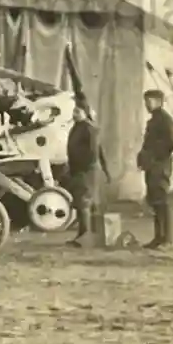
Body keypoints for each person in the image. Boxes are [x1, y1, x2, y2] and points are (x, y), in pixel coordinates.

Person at [64, 96, 110, 248]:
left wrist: (85, 168)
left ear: (85, 112)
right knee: (80, 202)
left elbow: (94, 152)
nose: (74, 114)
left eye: (77, 111)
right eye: (74, 111)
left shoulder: (89, 129)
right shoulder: (77, 127)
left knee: (84, 202)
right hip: (78, 170)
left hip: (86, 170)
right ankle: (81, 235)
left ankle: (86, 237)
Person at [137, 88, 173, 250]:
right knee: (155, 201)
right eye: (146, 101)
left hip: (160, 166)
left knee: (163, 201)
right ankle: (158, 237)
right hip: (152, 166)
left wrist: (155, 158)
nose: (147, 104)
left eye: (149, 101)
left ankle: (167, 240)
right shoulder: (154, 120)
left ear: (159, 102)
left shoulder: (164, 120)